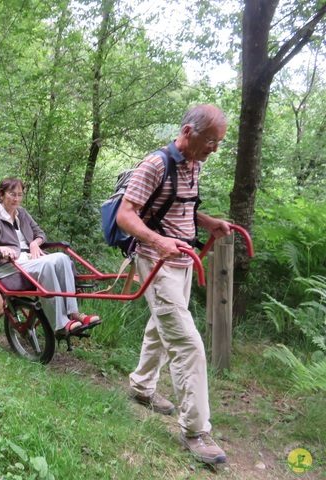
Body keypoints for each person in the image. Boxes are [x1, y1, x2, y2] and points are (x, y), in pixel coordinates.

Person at [116, 104, 232, 465]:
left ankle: (141, 385)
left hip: (183, 261)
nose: (214, 148)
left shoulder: (194, 164)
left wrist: (207, 221)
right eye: (210, 140)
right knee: (187, 342)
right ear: (187, 131)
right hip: (157, 260)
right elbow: (125, 214)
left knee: (160, 326)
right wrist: (158, 242)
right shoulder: (155, 164)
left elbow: (175, 207)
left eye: (218, 142)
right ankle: (195, 430)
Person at [0, 178, 101, 337]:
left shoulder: (22, 213)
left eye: (20, 195)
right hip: (7, 264)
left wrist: (35, 242)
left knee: (62, 258)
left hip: (28, 259)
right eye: (12, 194)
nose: (16, 199)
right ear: (1, 194)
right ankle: (61, 324)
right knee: (47, 265)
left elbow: (40, 233)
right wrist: (2, 249)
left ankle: (73, 313)